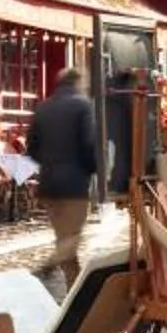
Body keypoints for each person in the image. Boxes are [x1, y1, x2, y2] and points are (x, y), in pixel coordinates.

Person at [28, 67, 105, 287]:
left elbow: (31, 147)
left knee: (64, 239)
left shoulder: (43, 107)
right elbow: (89, 145)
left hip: (49, 183)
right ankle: (49, 264)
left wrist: (49, 162)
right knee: (71, 239)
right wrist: (92, 170)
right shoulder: (83, 105)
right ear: (78, 83)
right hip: (74, 184)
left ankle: (75, 293)